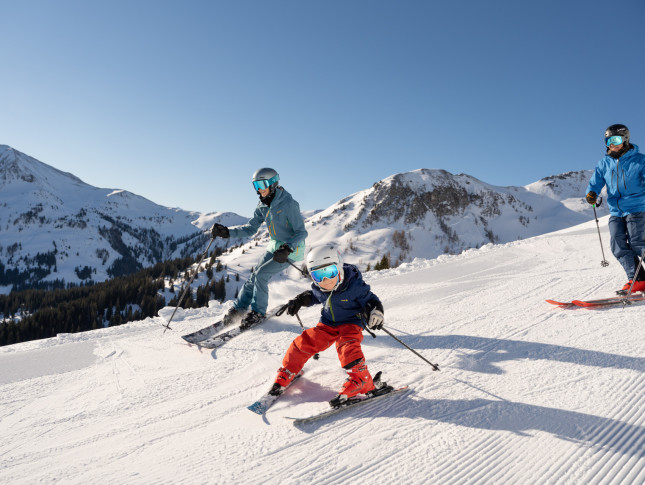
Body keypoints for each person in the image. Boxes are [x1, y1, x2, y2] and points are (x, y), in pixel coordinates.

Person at [268, 245, 385, 407]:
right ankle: (289, 370)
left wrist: (375, 311)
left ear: (338, 267)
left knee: (347, 346)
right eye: (318, 275)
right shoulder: (319, 287)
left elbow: (371, 300)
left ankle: (362, 380)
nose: (325, 280)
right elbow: (314, 296)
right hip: (328, 323)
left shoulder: (354, 286)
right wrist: (300, 300)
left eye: (329, 272)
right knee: (303, 342)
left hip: (351, 323)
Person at [211, 168, 307, 326]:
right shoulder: (263, 204)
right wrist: (227, 232)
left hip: (290, 250)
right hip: (275, 246)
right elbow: (251, 228)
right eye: (255, 185)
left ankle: (257, 313)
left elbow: (301, 232)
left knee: (261, 275)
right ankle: (239, 308)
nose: (259, 189)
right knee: (254, 277)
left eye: (262, 184)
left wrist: (288, 248)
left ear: (273, 183)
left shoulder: (289, 204)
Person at [586, 124, 645, 293]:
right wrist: (591, 193)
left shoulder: (640, 160)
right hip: (616, 210)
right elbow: (595, 182)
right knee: (617, 245)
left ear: (625, 139)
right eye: (609, 140)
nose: (612, 144)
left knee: (638, 243)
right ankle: (638, 279)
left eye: (616, 139)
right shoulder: (604, 163)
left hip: (637, 207)